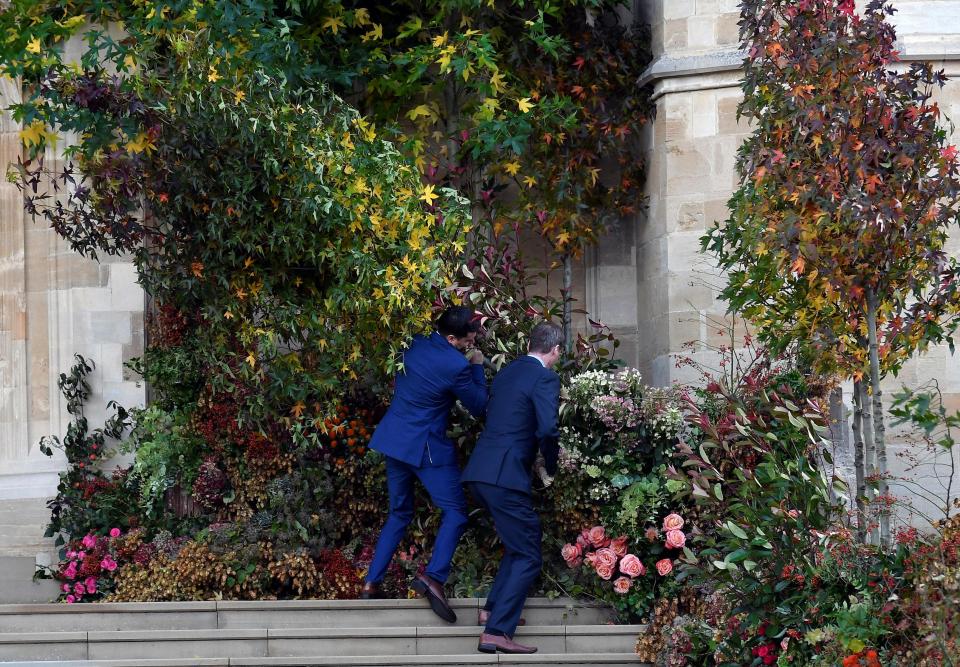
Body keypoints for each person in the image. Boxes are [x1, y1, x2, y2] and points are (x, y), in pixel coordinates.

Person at [360, 306, 488, 623]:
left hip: (394, 440)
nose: (469, 345)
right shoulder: (457, 365)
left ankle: (370, 582)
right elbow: (480, 406)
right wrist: (477, 367)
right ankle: (433, 578)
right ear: (450, 337)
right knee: (457, 513)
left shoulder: (411, 343)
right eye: (466, 342)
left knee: (399, 513)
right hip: (426, 447)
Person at [461, 321, 563, 654]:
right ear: (555, 350)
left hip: (481, 471)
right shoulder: (545, 377)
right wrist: (550, 463)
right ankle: (496, 631)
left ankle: (492, 610)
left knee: (519, 545)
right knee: (530, 553)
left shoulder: (507, 373)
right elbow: (548, 429)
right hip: (505, 477)